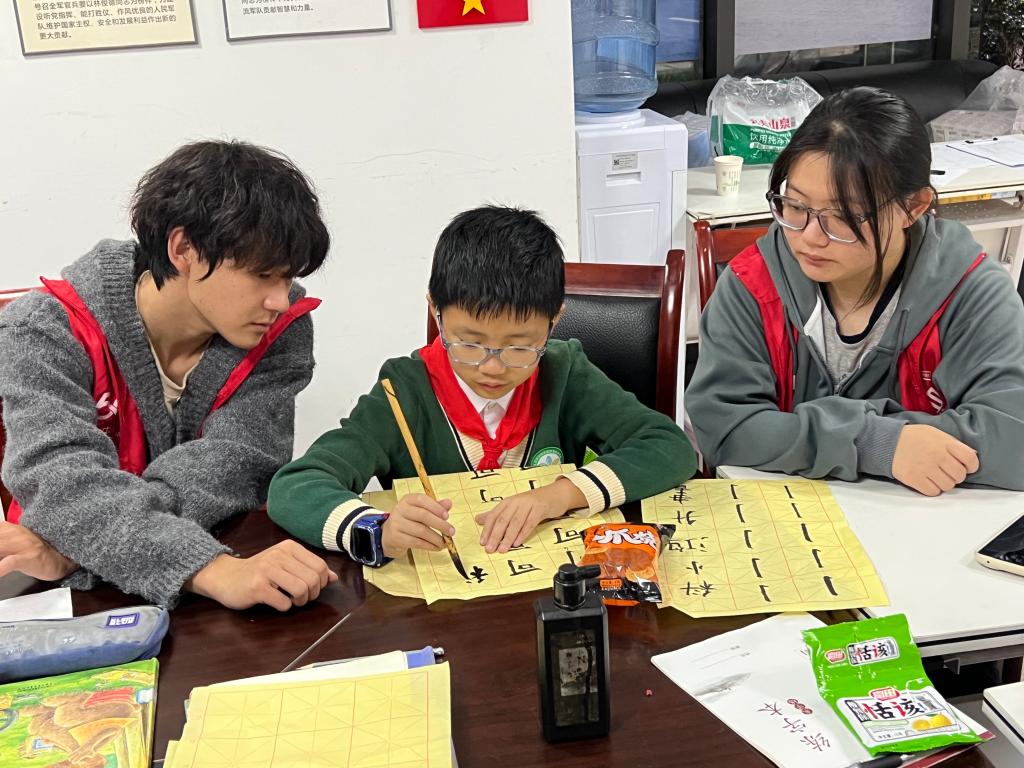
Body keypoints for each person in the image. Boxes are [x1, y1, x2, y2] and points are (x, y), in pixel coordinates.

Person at [0, 140, 338, 610]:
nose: (280, 300)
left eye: (287, 277)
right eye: (263, 275)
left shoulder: (282, 328)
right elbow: (61, 482)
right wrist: (209, 569)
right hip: (58, 601)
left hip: (124, 569)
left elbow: (237, 467)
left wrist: (80, 544)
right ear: (183, 249)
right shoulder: (43, 329)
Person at [267, 205, 696, 565]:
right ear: (435, 311)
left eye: (520, 347)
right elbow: (295, 487)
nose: (492, 367)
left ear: (555, 321)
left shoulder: (564, 374)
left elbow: (668, 446)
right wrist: (376, 529)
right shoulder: (404, 392)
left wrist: (558, 495)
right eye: (469, 343)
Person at [687, 87, 1024, 495]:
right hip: (790, 519)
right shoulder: (754, 286)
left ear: (913, 207)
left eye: (843, 216)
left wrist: (794, 436)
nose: (810, 237)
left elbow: (1012, 440)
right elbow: (724, 430)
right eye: (796, 206)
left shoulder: (969, 292)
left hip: (921, 522)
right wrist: (875, 442)